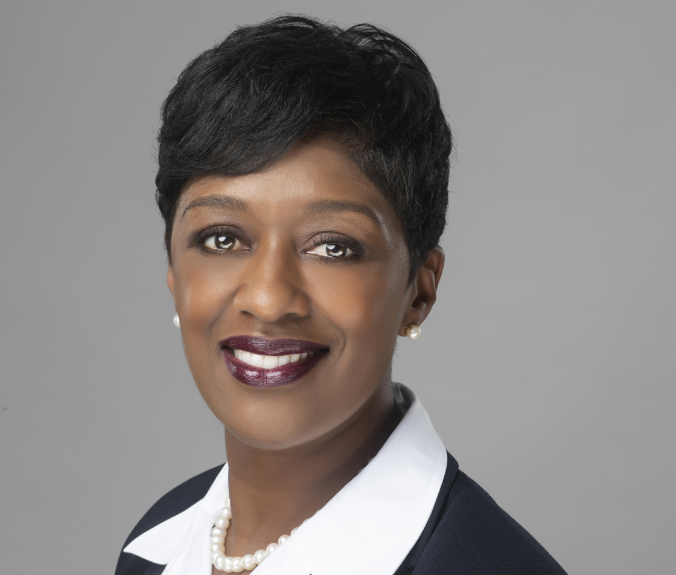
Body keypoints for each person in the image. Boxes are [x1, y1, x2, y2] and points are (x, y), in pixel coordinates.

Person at [115, 15, 567, 575]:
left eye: (332, 247)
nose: (269, 297)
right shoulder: (155, 545)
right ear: (175, 277)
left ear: (419, 293)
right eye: (223, 238)